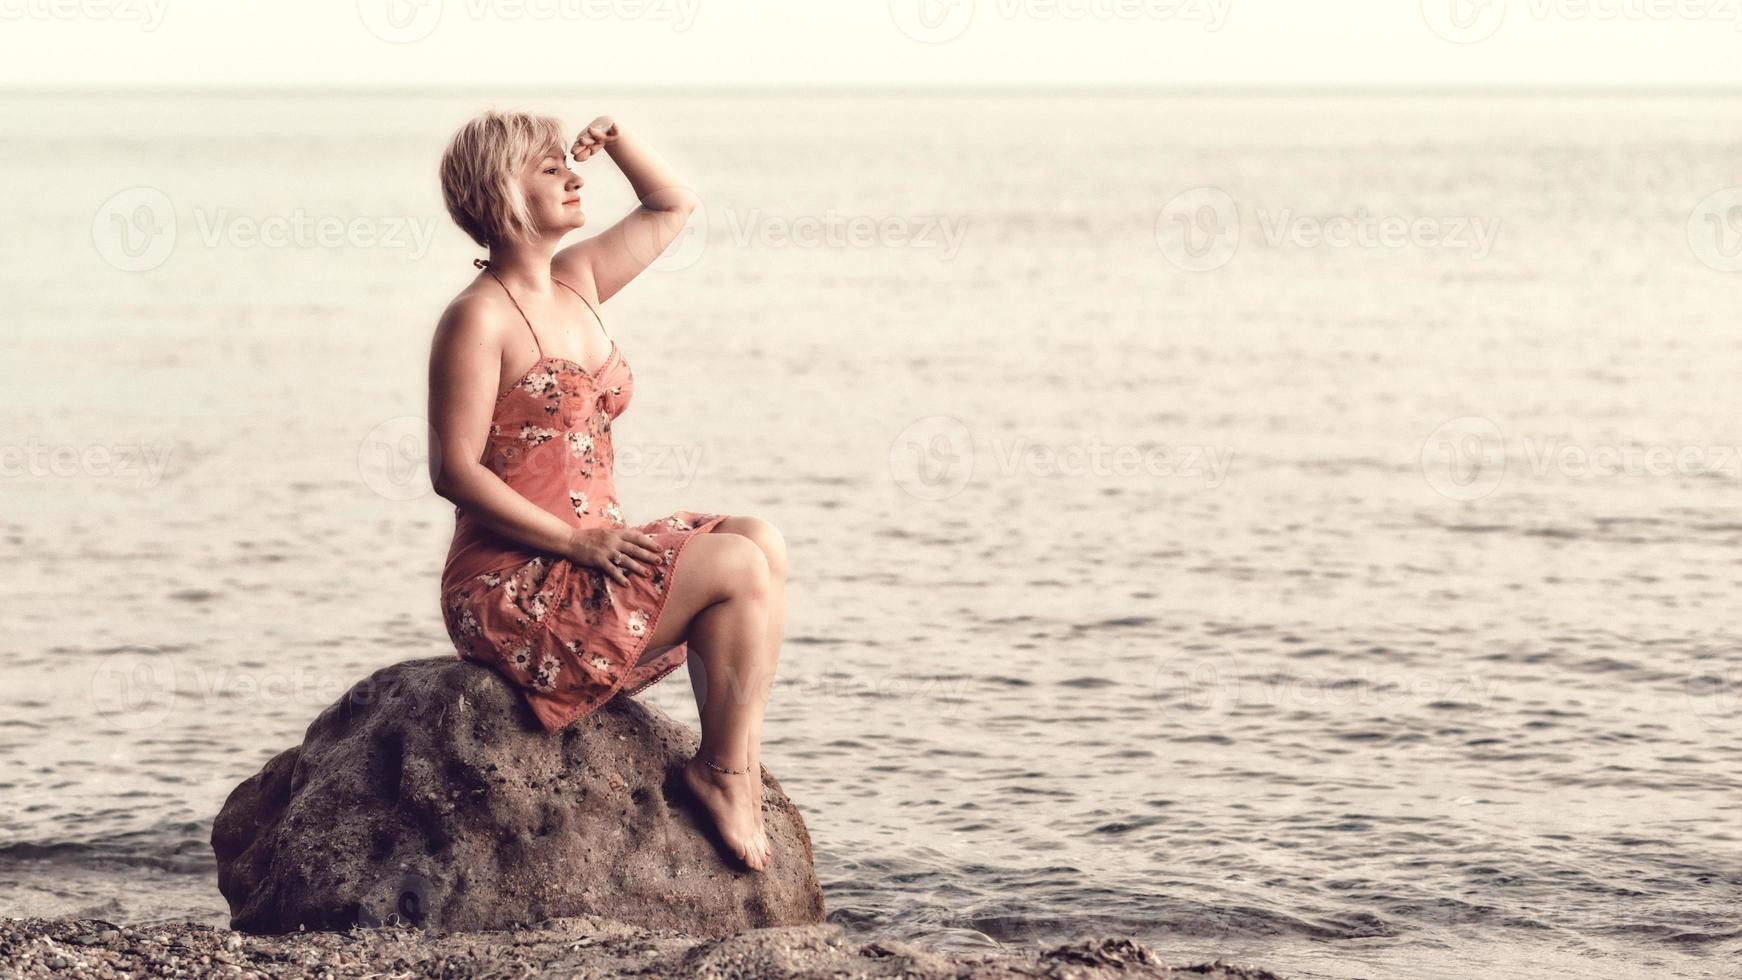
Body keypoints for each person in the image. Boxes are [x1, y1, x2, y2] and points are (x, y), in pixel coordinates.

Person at [428, 109, 786, 871]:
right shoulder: (476, 319)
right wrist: (576, 542)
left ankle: (735, 764)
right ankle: (722, 776)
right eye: (550, 167)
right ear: (502, 189)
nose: (574, 176)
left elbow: (673, 205)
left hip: (586, 560)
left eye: (572, 163)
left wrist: (618, 140)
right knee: (738, 570)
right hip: (512, 583)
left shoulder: (578, 280)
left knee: (758, 540)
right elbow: (453, 470)